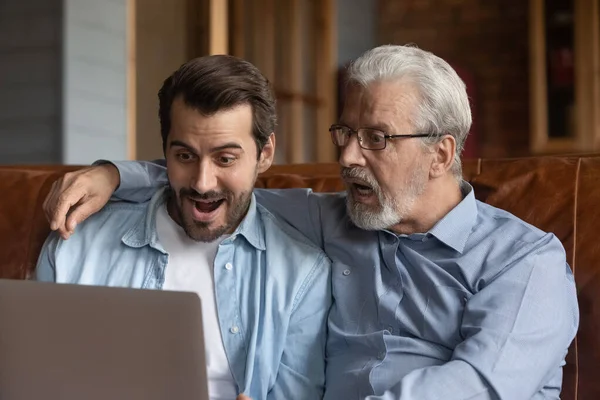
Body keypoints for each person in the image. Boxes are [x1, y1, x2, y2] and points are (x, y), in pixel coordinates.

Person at [44, 45, 579, 400]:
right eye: (344, 133)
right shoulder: (331, 216)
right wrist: (113, 175)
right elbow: (214, 184)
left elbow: (480, 386)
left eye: (376, 138)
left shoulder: (526, 261)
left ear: (440, 155)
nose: (347, 158)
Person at [36, 55, 331, 400]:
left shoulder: (302, 275)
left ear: (264, 154)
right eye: (185, 156)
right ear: (165, 152)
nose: (203, 183)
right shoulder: (75, 245)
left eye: (225, 159)